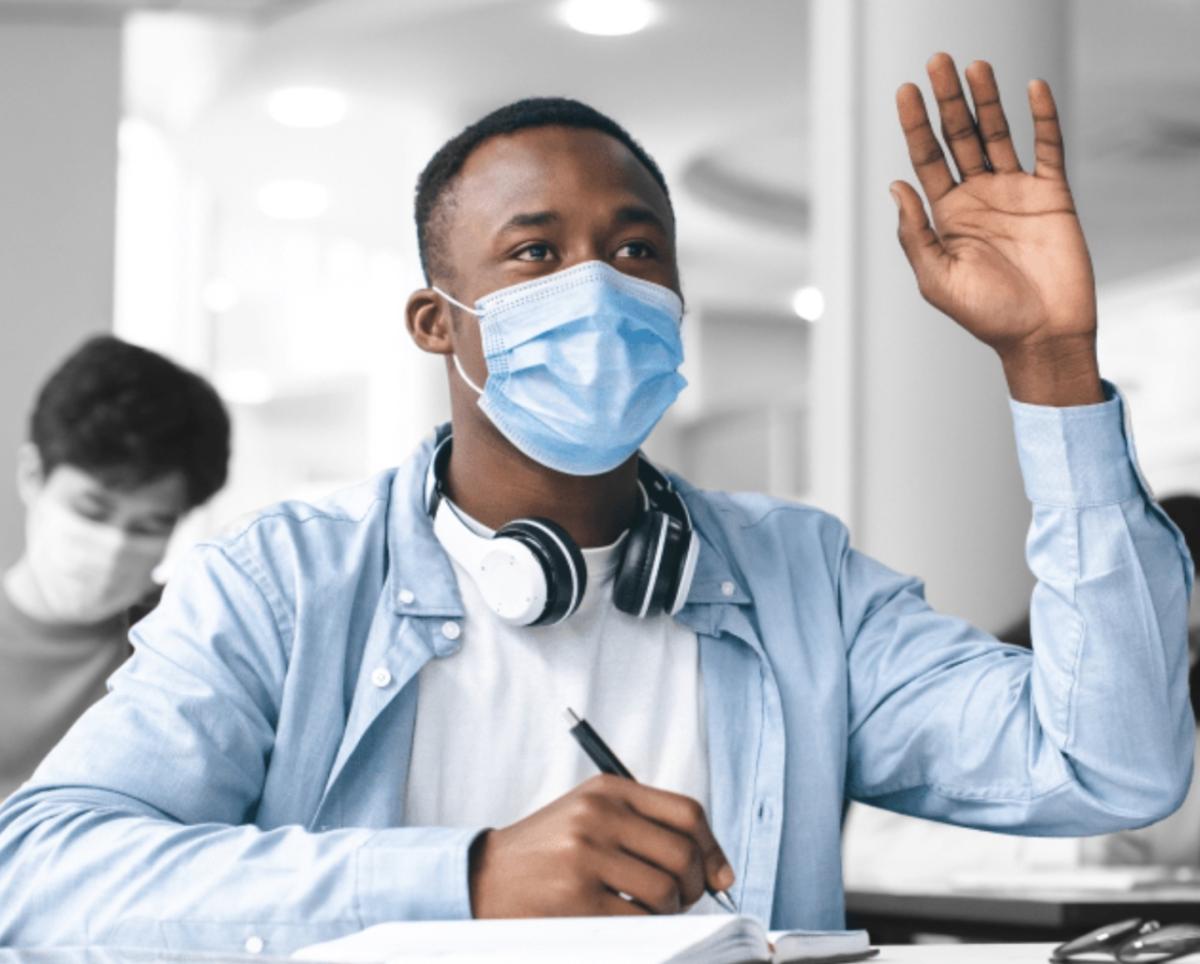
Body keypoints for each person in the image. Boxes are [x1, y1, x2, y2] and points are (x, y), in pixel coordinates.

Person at [0, 54, 1193, 954]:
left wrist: (1052, 365)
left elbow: (1114, 768)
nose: (600, 284)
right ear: (437, 323)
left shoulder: (802, 580)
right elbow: (42, 876)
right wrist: (465, 880)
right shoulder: (284, 581)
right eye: (534, 252)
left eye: (636, 249)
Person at [0, 335, 231, 800]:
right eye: (92, 511)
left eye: (148, 526)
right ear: (32, 475)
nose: (113, 547)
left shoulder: (188, 639)